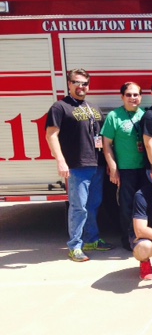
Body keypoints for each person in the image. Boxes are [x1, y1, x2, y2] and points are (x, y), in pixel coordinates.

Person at [45, 68, 114, 262]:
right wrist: (60, 160)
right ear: (69, 84)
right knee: (78, 207)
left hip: (97, 164)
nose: (81, 86)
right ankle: (75, 246)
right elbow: (51, 134)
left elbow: (101, 137)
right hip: (77, 165)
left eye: (84, 83)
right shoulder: (60, 107)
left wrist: (107, 162)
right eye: (76, 82)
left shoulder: (93, 107)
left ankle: (91, 239)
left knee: (94, 205)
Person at [101, 81, 147, 251]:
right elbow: (107, 144)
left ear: (141, 97)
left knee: (143, 204)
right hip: (126, 169)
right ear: (122, 97)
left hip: (145, 168)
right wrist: (113, 167)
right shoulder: (114, 116)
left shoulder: (144, 115)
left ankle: (144, 236)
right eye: (129, 95)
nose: (132, 98)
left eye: (136, 95)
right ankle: (129, 238)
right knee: (127, 205)